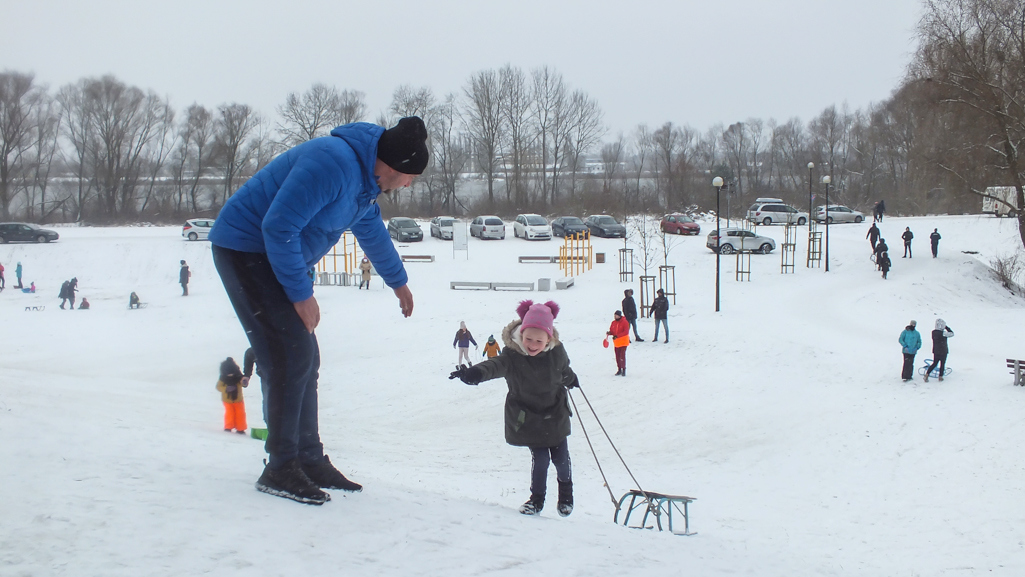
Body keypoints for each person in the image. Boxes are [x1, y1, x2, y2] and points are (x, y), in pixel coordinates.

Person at [207, 116, 426, 505]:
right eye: (410, 177)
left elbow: (371, 230)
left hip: (275, 256)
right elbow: (278, 226)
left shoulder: (364, 183)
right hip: (245, 249)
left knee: (305, 357)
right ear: (394, 168)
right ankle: (281, 465)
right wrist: (300, 293)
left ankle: (307, 458)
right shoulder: (333, 163)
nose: (409, 184)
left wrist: (398, 281)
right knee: (290, 354)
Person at [448, 300, 578, 517]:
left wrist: (572, 379)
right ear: (521, 334)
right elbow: (495, 365)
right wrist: (475, 373)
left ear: (549, 339)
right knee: (541, 460)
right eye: (528, 339)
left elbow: (564, 370)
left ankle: (566, 494)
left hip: (555, 414)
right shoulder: (513, 355)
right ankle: (536, 500)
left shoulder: (556, 353)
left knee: (560, 459)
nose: (533, 345)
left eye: (539, 340)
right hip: (529, 417)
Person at [216, 357, 248, 434]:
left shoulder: (239, 377)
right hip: (227, 400)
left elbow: (243, 382)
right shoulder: (223, 379)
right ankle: (228, 427)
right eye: (228, 374)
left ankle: (241, 428)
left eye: (232, 373)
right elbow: (218, 387)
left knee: (240, 414)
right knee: (229, 413)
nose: (230, 375)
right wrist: (226, 389)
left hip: (238, 399)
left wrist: (244, 382)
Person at [242, 347, 267, 424]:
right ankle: (270, 425)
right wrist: (247, 375)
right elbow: (249, 354)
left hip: (286, 377)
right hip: (266, 378)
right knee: (269, 401)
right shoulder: (257, 348)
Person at [607, 310, 630, 376]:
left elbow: (626, 332)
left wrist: (617, 336)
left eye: (616, 315)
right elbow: (612, 330)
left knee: (622, 356)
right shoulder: (613, 323)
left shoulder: (625, 322)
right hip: (617, 342)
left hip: (623, 342)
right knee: (617, 356)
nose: (615, 316)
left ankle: (623, 369)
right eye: (614, 315)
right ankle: (619, 369)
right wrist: (610, 333)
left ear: (619, 316)